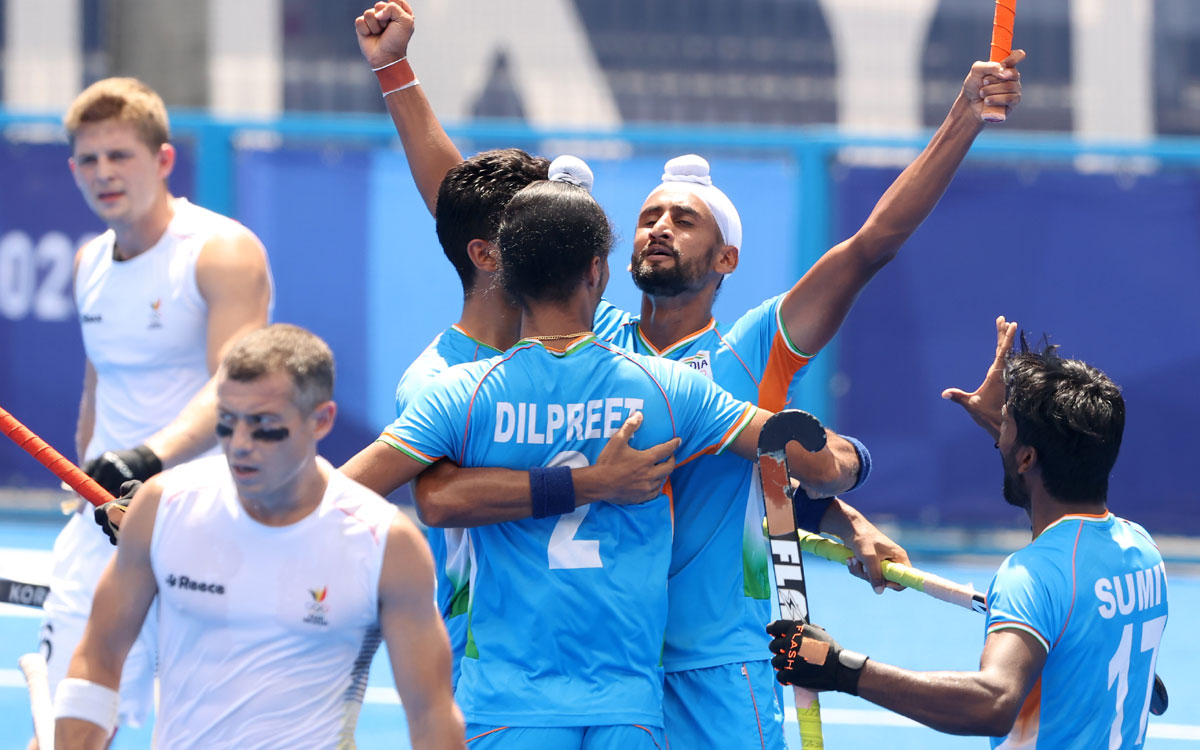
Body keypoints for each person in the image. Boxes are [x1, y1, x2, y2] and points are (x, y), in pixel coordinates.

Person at [352, 5, 1003, 745]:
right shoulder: (596, 342)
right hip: (616, 664)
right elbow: (480, 218)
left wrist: (964, 117)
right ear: (602, 264)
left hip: (716, 665)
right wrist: (395, 72)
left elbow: (871, 245)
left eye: (684, 219)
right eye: (648, 215)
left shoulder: (759, 348)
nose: (658, 225)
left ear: (727, 257)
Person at [343, 168, 883, 747]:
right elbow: (796, 449)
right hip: (626, 698)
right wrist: (852, 465)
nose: (660, 230)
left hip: (506, 694)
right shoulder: (668, 387)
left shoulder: (463, 391)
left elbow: (339, 492)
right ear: (599, 272)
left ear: (502, 269)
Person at [54, 324, 465, 750]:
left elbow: (430, 714)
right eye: (227, 424)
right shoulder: (163, 507)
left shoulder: (387, 545)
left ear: (321, 420)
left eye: (264, 426)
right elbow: (97, 659)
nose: (240, 445)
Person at [769, 317, 1168, 750]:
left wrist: (840, 668)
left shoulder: (1032, 577)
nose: (999, 434)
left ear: (1026, 458)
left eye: (1007, 424)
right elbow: (1054, 463)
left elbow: (993, 702)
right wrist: (1007, 428)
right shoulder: (1142, 550)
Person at [40, 76, 273, 741]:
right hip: (102, 529)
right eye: (89, 159)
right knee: (69, 734)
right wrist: (91, 477)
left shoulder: (221, 251)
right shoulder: (89, 261)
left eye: (120, 156)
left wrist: (144, 461)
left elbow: (236, 384)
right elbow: (99, 386)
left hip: (201, 530)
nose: (103, 173)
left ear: (164, 160)